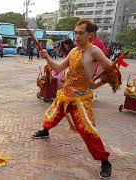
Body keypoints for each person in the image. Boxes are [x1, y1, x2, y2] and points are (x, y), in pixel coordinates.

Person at [32, 20, 113, 179]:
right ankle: (45, 131)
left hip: (81, 100)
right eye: (75, 32)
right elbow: (58, 68)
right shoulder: (74, 51)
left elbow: (112, 70)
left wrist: (96, 85)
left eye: (80, 33)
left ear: (90, 35)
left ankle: (105, 161)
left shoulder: (94, 51)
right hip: (65, 94)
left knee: (87, 131)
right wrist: (47, 57)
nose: (76, 36)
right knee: (52, 114)